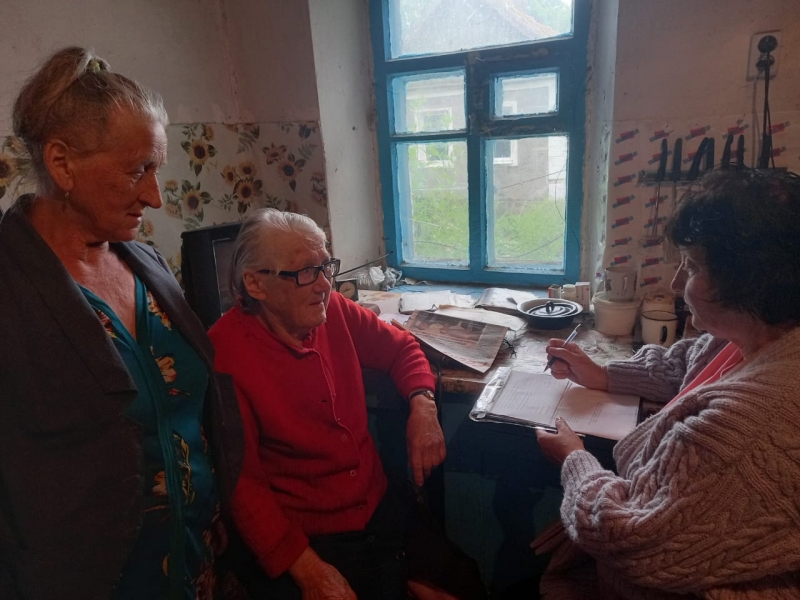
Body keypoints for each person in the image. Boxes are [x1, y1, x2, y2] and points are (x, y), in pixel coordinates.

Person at [0, 47, 243, 599]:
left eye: (156, 168)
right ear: (62, 164)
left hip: (196, 564)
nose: (155, 196)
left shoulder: (145, 263)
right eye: (137, 170)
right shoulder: (10, 287)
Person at [535, 169, 800, 599]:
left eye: (692, 267)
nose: (676, 284)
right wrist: (605, 374)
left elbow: (626, 537)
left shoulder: (751, 427)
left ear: (752, 281)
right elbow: (686, 364)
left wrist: (574, 459)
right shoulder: (758, 335)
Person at [209, 208, 486, 600]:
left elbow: (402, 348)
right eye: (306, 272)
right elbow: (243, 486)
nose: (325, 284)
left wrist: (423, 407)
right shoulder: (225, 354)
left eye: (326, 266)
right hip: (307, 536)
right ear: (256, 284)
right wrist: (309, 572)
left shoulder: (333, 310)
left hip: (378, 505)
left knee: (464, 583)